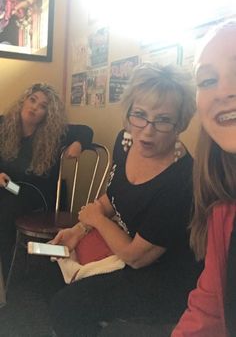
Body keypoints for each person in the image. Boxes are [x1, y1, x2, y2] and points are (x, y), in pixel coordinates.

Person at [50, 63, 202, 337]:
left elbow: (136, 257)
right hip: (129, 253)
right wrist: (79, 229)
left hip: (165, 279)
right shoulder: (125, 141)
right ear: (129, 113)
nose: (147, 130)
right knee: (53, 276)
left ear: (181, 122)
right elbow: (114, 195)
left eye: (163, 120)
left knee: (68, 306)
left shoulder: (181, 181)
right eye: (140, 115)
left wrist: (94, 218)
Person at [170, 20, 236, 337]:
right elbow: (208, 310)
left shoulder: (176, 176)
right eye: (208, 80)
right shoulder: (223, 212)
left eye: (162, 119)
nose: (224, 90)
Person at [0, 82, 93, 281]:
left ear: (47, 114)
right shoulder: (4, 124)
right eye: (32, 100)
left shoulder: (54, 133)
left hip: (37, 194)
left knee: (4, 209)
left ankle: (10, 273)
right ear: (23, 101)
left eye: (42, 106)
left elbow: (86, 130)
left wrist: (78, 143)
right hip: (11, 188)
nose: (34, 107)